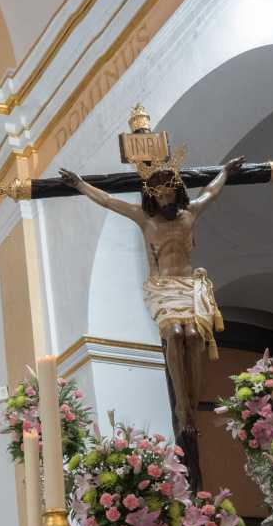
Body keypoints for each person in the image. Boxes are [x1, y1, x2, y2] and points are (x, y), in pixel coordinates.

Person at [58, 150, 244, 435]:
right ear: (152, 197)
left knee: (194, 337)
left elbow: (210, 192)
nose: (166, 201)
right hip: (162, 286)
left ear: (177, 192)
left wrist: (226, 173)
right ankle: (182, 407)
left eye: (169, 195)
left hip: (189, 283)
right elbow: (108, 200)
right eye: (160, 197)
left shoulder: (189, 213)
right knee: (174, 334)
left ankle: (191, 404)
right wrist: (81, 185)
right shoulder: (145, 220)